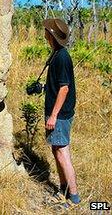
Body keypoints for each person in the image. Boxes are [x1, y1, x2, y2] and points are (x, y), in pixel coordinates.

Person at [43, 18, 81, 207]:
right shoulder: (56, 54)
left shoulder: (62, 57)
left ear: (50, 35)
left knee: (62, 152)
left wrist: (54, 115)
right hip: (57, 112)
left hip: (60, 115)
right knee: (57, 150)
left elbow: (64, 88)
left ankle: (74, 197)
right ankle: (63, 188)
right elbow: (58, 85)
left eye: (46, 31)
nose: (44, 33)